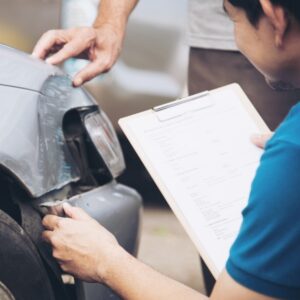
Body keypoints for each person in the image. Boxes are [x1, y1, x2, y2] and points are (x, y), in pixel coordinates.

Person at [42, 0, 300, 298]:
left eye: (233, 20)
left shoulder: (291, 152)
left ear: (275, 19)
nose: (235, 35)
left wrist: (106, 262)